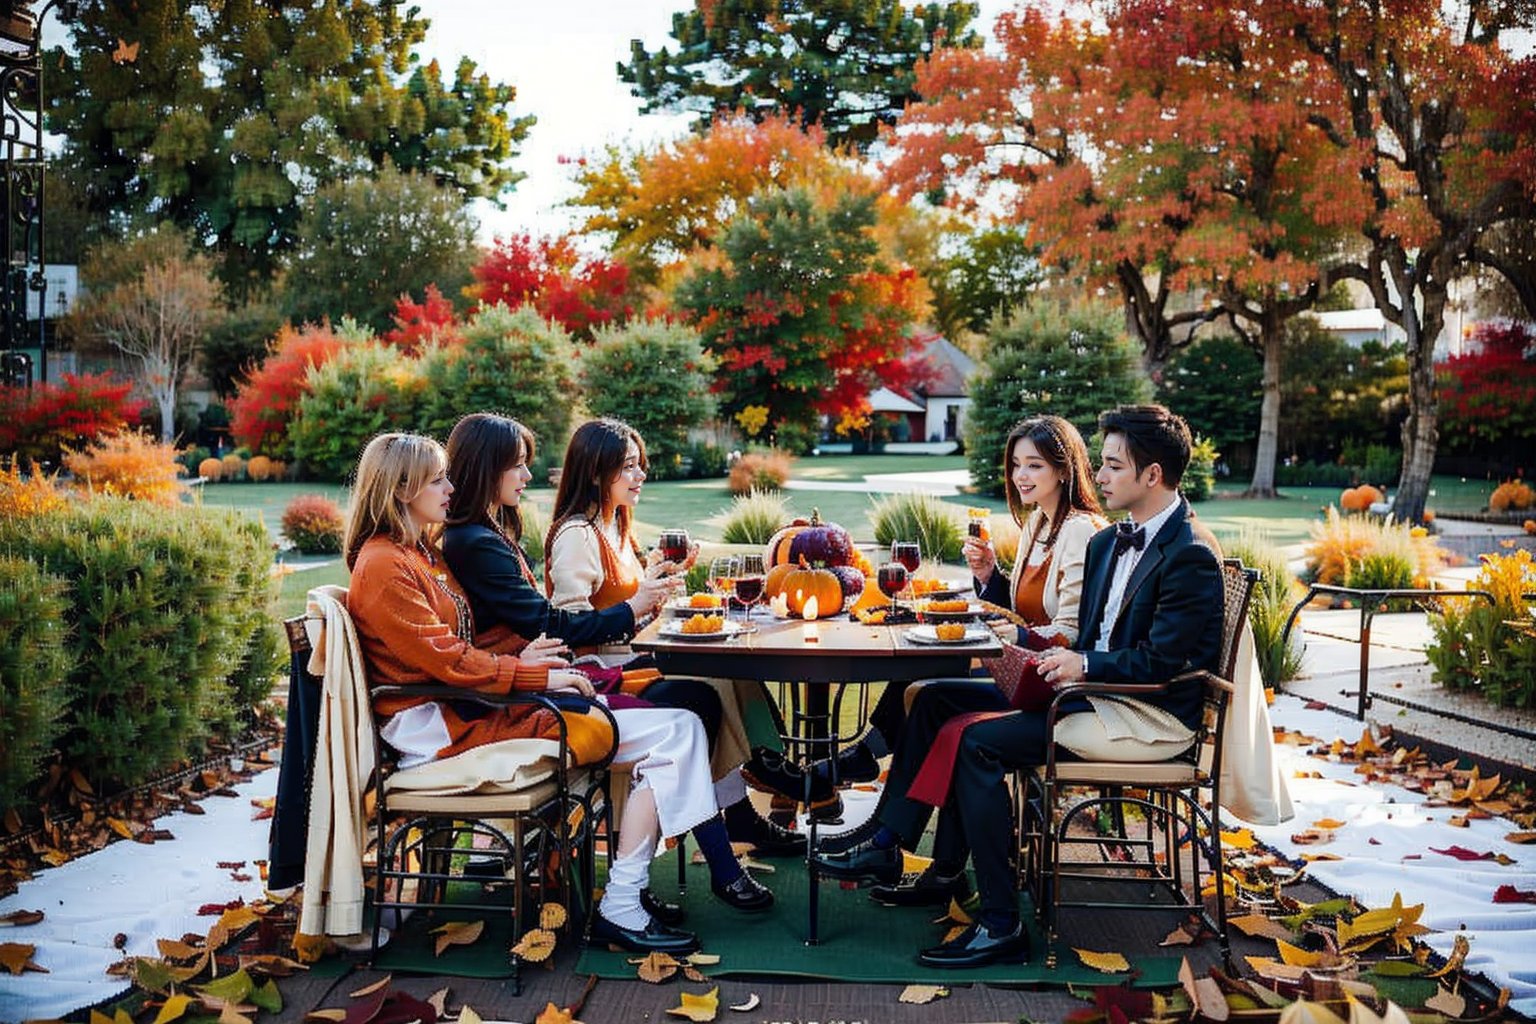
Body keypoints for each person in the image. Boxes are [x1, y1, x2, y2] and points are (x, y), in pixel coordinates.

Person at [816, 404, 1224, 968]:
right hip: (1086, 692)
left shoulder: (1191, 554)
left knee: (977, 744)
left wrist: (1084, 664)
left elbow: (1161, 664)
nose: (1098, 476)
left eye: (1110, 466)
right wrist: (1060, 658)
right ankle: (892, 845)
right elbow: (1088, 630)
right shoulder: (1112, 543)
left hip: (1139, 715)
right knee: (937, 698)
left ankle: (1002, 923)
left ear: (1152, 475)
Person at [345, 432, 733, 954]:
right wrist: (532, 676)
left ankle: (627, 897)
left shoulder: (417, 554)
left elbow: (459, 644)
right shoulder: (386, 565)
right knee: (679, 729)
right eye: (438, 478)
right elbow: (444, 658)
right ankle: (623, 902)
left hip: (471, 706)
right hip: (448, 727)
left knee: (681, 725)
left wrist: (523, 664)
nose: (450, 487)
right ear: (401, 487)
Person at [541, 418, 805, 854]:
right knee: (711, 685)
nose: (640, 474)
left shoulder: (615, 527)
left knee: (730, 671)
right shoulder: (577, 535)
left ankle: (767, 776)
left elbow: (630, 607)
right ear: (594, 472)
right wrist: (640, 605)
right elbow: (575, 631)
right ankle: (772, 780)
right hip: (601, 675)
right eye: (628, 467)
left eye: (639, 464)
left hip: (630, 658)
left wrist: (656, 589)